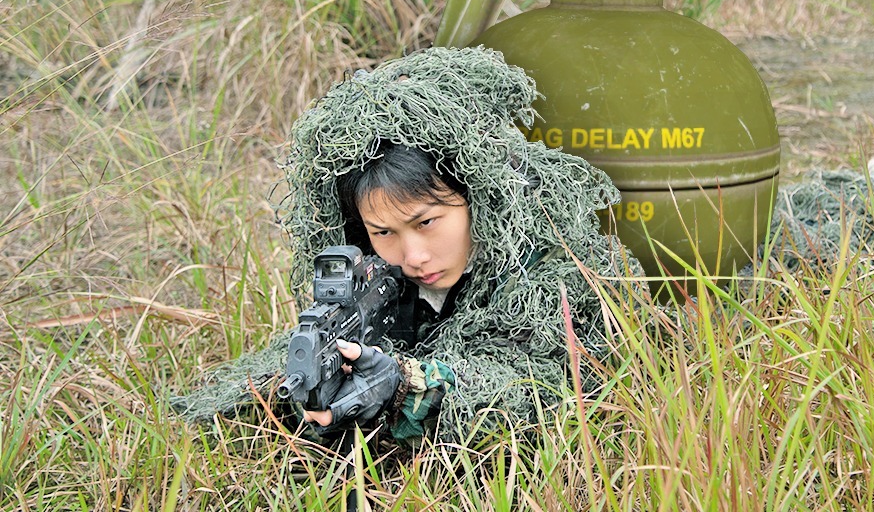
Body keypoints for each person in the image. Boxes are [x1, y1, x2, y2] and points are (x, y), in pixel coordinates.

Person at [171, 46, 639, 444]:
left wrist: (405, 386)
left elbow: (539, 393)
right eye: (384, 232)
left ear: (478, 198)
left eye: (428, 222)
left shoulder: (550, 268)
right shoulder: (373, 285)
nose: (413, 257)